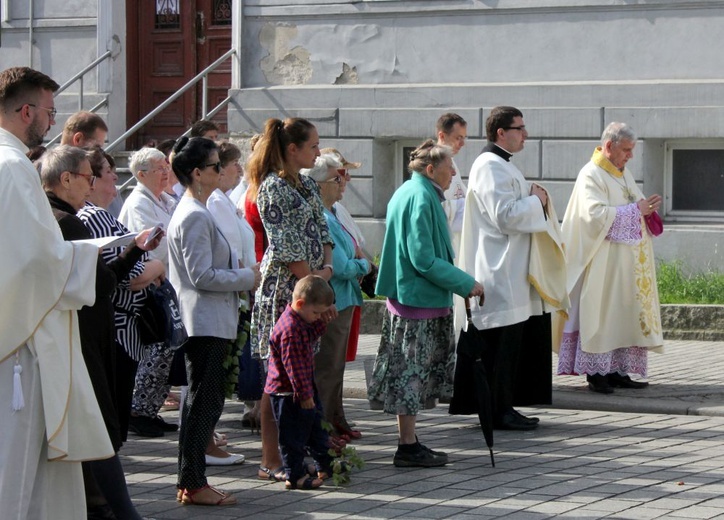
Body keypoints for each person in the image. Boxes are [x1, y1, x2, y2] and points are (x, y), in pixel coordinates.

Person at [0, 65, 113, 520]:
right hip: (20, 345)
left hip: (17, 327)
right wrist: (89, 256)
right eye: (48, 111)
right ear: (26, 111)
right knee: (18, 469)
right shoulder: (12, 167)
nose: (52, 120)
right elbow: (33, 261)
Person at [41, 145, 159, 520]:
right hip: (84, 337)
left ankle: (100, 505)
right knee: (99, 427)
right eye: (87, 177)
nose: (91, 185)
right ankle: (116, 510)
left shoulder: (46, 216)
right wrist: (131, 255)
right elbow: (97, 285)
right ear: (65, 180)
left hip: (72, 335)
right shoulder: (68, 222)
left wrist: (133, 250)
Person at [367, 139, 484, 468]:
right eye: (449, 169)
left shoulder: (409, 191)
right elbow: (423, 259)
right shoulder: (421, 196)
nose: (453, 176)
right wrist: (466, 283)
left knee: (409, 373)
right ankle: (406, 445)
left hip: (411, 297)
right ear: (431, 169)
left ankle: (410, 441)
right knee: (411, 374)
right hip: (417, 300)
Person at [168, 136, 260, 506]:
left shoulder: (200, 209)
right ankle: (192, 482)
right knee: (203, 404)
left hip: (212, 318)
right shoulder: (192, 214)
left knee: (205, 403)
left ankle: (192, 480)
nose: (221, 171)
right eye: (214, 166)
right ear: (196, 174)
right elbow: (200, 276)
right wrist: (247, 277)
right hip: (202, 321)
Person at [247, 117, 337, 481]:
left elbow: (323, 228)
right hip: (288, 290)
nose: (318, 151)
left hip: (315, 285)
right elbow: (286, 246)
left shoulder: (308, 185)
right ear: (292, 149)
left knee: (302, 374)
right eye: (313, 146)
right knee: (279, 379)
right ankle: (271, 459)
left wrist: (326, 271)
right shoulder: (272, 187)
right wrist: (315, 285)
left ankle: (296, 454)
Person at [456, 106, 551, 431]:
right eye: (519, 128)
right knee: (499, 348)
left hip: (509, 271)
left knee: (509, 347)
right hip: (496, 273)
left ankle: (503, 406)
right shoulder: (489, 166)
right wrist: (536, 201)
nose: (525, 134)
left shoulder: (501, 165)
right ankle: (497, 410)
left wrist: (534, 198)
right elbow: (505, 216)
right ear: (500, 132)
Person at [556, 122, 664, 393]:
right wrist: (634, 211)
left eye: (632, 150)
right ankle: (596, 373)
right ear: (608, 146)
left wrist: (646, 209)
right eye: (626, 150)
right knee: (601, 315)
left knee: (622, 314)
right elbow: (593, 216)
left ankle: (616, 370)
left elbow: (634, 206)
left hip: (624, 265)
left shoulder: (622, 174)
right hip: (600, 263)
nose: (631, 156)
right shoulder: (591, 175)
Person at [78, 147, 167, 444]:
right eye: (108, 171)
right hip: (118, 329)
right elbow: (133, 278)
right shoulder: (97, 217)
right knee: (112, 419)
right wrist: (158, 265)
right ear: (90, 181)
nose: (116, 176)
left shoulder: (94, 215)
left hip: (115, 327)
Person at [302, 154, 370, 441]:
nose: (343, 182)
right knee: (327, 368)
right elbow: (342, 266)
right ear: (319, 185)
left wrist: (357, 259)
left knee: (337, 366)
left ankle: (335, 418)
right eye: (336, 178)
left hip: (343, 298)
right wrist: (365, 265)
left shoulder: (331, 212)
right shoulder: (322, 216)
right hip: (334, 299)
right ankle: (324, 427)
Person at [120, 146, 179, 437]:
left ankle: (150, 408)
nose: (166, 170)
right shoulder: (137, 202)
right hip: (149, 284)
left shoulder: (166, 199)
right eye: (159, 167)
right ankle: (138, 411)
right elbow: (155, 241)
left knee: (167, 349)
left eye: (166, 165)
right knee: (155, 350)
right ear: (142, 175)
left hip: (167, 281)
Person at [266, 275, 338, 490]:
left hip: (303, 388)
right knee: (293, 437)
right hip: (289, 393)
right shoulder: (290, 331)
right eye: (316, 313)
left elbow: (311, 333)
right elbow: (294, 368)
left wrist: (322, 320)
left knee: (317, 428)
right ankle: (294, 475)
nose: (318, 317)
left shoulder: (301, 321)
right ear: (300, 304)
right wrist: (305, 395)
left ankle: (325, 464)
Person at [436, 113, 468, 257]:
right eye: (458, 138)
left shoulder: (450, 162)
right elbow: (436, 209)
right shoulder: (433, 166)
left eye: (463, 138)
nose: (462, 143)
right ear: (442, 136)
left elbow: (461, 193)